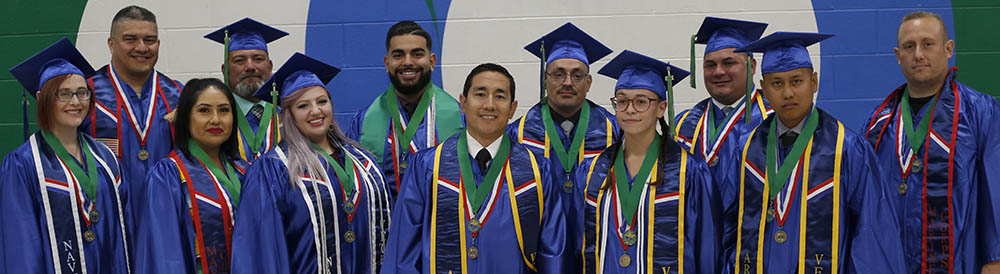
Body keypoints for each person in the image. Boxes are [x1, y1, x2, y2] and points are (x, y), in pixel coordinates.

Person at [727, 32, 905, 273]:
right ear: (763, 90)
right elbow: (728, 230)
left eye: (796, 81)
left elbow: (871, 234)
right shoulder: (745, 148)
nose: (788, 93)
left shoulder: (846, 149)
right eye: (777, 83)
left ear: (814, 82)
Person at [382, 63, 569, 274]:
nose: (489, 105)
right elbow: (403, 253)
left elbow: (553, 253)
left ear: (512, 109)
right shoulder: (427, 166)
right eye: (480, 94)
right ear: (463, 103)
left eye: (500, 97)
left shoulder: (537, 171)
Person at [861, 11, 1000, 273]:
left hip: (961, 263)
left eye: (928, 44)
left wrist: (995, 261)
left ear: (948, 49)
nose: (918, 55)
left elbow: (996, 193)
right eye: (909, 47)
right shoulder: (878, 124)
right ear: (897, 55)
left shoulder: (981, 113)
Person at [230, 53, 393, 274]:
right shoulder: (273, 171)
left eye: (322, 101)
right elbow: (261, 249)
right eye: (303, 106)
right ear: (288, 115)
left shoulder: (364, 161)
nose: (316, 111)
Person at [575, 50, 718, 273]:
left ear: (661, 108)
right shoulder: (593, 171)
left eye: (641, 101)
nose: (630, 109)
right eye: (621, 101)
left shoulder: (688, 172)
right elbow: (579, 244)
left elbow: (706, 249)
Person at [3, 38, 131, 273]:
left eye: (82, 93)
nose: (76, 102)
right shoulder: (23, 164)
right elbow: (21, 243)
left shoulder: (106, 158)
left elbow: (125, 229)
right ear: (42, 98)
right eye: (64, 94)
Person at [507, 23, 619, 262]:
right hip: (536, 254)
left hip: (599, 252)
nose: (567, 82)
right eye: (558, 74)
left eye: (577, 75)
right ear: (545, 79)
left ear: (588, 83)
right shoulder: (516, 135)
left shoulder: (617, 133)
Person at [134, 78, 250, 273]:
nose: (216, 119)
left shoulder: (245, 171)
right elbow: (166, 256)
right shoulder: (168, 176)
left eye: (224, 110)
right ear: (186, 117)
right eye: (204, 110)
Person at [347, 20, 464, 197]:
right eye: (398, 55)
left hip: (441, 222)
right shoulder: (363, 122)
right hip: (388, 222)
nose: (407, 62)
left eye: (417, 54)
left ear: (432, 61)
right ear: (387, 63)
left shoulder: (460, 117)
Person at [82, 5, 183, 187]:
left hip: (166, 208)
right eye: (130, 39)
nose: (142, 47)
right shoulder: (85, 95)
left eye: (149, 40)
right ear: (111, 44)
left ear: (158, 44)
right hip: (108, 209)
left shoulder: (177, 95)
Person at [205, 18, 289, 162]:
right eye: (239, 60)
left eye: (258, 59)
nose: (250, 66)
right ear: (225, 70)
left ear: (270, 67)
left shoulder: (288, 116)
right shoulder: (213, 119)